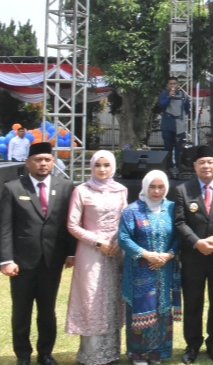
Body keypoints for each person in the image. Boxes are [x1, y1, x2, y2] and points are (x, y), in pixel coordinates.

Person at [1, 142, 76, 365]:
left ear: (53, 162)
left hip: (51, 261)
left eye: (47, 160)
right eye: (37, 160)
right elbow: (5, 226)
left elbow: (68, 224)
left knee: (47, 310)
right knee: (21, 311)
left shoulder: (65, 186)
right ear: (28, 163)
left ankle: (45, 353)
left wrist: (71, 253)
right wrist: (6, 260)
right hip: (21, 263)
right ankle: (23, 355)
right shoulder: (12, 188)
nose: (43, 164)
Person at [173, 146, 213, 364]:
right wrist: (196, 242)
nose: (206, 166)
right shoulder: (183, 190)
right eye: (201, 162)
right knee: (193, 302)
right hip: (193, 257)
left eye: (210, 162)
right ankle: (192, 345)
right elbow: (179, 222)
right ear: (195, 166)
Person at [65, 150, 128, 365]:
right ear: (92, 166)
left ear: (113, 167)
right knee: (92, 299)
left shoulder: (121, 190)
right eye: (98, 165)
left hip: (115, 253)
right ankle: (90, 355)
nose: (102, 169)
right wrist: (98, 242)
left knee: (113, 298)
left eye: (106, 165)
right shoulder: (82, 190)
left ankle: (111, 353)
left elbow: (125, 220)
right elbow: (72, 225)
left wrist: (119, 241)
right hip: (90, 252)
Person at [118, 170, 181, 365]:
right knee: (140, 311)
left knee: (162, 310)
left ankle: (157, 353)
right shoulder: (132, 210)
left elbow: (179, 234)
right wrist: (147, 255)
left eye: (161, 187)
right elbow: (123, 238)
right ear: (145, 187)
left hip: (166, 269)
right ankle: (137, 354)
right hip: (140, 270)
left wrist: (168, 255)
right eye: (152, 187)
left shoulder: (172, 208)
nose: (156, 191)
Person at [159, 77, 191, 169]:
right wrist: (170, 96)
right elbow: (162, 105)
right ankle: (168, 167)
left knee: (179, 148)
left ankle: (178, 165)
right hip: (167, 125)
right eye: (171, 84)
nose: (173, 85)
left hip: (179, 125)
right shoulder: (164, 94)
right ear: (168, 85)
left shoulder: (184, 95)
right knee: (168, 147)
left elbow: (187, 109)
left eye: (174, 83)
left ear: (178, 85)